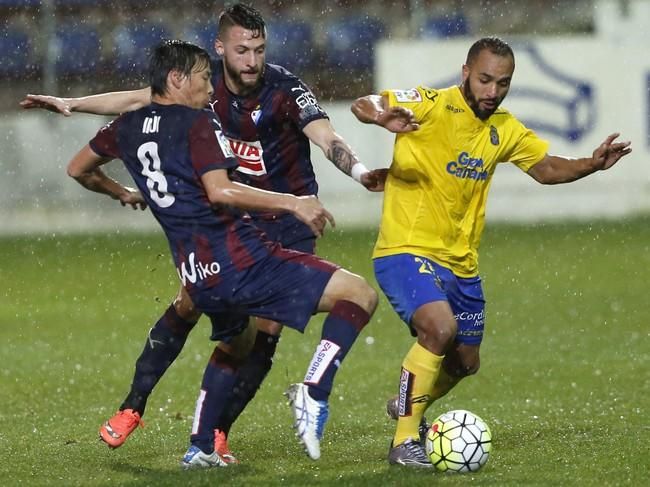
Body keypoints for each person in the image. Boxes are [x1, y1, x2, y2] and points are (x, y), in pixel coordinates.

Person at [22, 4, 385, 463]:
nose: (251, 60)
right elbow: (141, 100)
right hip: (237, 222)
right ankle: (148, 410)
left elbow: (325, 136)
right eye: (241, 50)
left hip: (281, 226)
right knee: (209, 308)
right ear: (220, 50)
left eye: (259, 49)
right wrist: (72, 104)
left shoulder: (285, 88)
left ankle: (210, 436)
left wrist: (359, 171)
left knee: (253, 335)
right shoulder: (199, 90)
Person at [350, 36, 632, 468]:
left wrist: (591, 164)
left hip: (462, 263)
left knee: (465, 363)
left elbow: (546, 168)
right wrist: (381, 115)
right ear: (465, 72)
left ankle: (409, 399)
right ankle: (404, 442)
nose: (492, 91)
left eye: (503, 83)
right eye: (484, 80)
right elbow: (364, 102)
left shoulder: (503, 128)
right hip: (405, 248)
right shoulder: (429, 104)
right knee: (438, 330)